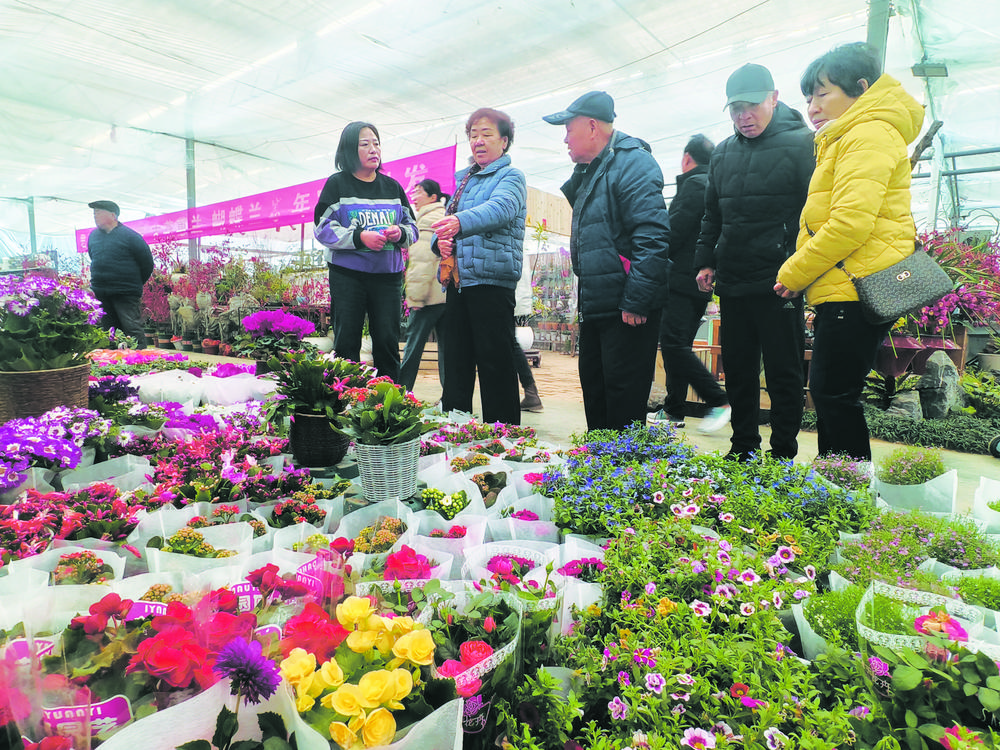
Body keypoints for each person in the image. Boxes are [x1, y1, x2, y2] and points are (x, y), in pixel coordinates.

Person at [775, 43, 924, 460]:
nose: (813, 106)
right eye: (808, 98)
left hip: (856, 285)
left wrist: (794, 272)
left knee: (833, 393)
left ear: (860, 88)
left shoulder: (868, 132)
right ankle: (841, 490)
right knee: (833, 392)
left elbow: (850, 223)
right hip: (847, 284)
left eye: (823, 94)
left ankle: (849, 497)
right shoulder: (847, 135)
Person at [693, 64, 815, 462]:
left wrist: (800, 269)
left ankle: (782, 454)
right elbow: (712, 214)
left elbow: (814, 215)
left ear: (774, 98)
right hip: (734, 277)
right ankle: (743, 446)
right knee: (740, 370)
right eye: (734, 109)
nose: (743, 116)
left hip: (782, 280)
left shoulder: (803, 144)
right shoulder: (723, 153)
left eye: (751, 106)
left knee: (784, 372)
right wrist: (706, 260)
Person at [543, 91, 671, 432]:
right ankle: (598, 475)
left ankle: (625, 478)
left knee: (623, 401)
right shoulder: (593, 170)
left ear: (592, 126)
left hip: (626, 307)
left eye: (568, 129)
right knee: (597, 395)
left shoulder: (633, 163)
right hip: (599, 303)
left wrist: (637, 300)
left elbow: (652, 236)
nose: (565, 138)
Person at [431, 108, 526, 424]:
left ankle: (503, 438)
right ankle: (455, 435)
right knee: (456, 364)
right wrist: (439, 243)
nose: (478, 141)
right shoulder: (463, 181)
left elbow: (500, 209)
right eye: (473, 135)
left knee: (495, 365)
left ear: (504, 140)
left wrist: (456, 223)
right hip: (459, 281)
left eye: (486, 134)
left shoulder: (510, 177)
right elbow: (445, 227)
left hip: (491, 282)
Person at [313, 121, 418, 382]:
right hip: (348, 277)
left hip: (388, 278)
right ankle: (346, 405)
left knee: (387, 342)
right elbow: (322, 228)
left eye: (376, 143)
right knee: (347, 342)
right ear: (349, 150)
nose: (374, 149)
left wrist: (399, 234)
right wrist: (360, 238)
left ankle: (391, 406)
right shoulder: (337, 185)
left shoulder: (393, 188)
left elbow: (412, 228)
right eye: (365, 144)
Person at [648, 135, 731, 433]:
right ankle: (674, 410)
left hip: (682, 280)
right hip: (699, 282)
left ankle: (718, 399)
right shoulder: (714, 185)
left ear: (686, 158)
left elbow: (672, 234)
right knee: (678, 345)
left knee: (672, 344)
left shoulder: (693, 186)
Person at [399, 179, 449, 391]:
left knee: (413, 346)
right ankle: (450, 398)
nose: (415, 197)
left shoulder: (428, 220)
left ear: (433, 197)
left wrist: (416, 298)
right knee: (446, 350)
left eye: (419, 192)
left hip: (428, 297)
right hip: (445, 295)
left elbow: (423, 262)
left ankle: (401, 392)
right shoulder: (443, 216)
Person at [86, 200, 154, 349]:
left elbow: (147, 263)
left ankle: (141, 358)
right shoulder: (93, 236)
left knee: (132, 327)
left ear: (113, 215)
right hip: (102, 291)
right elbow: (94, 257)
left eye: (98, 212)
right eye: (94, 213)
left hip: (125, 292)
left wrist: (132, 283)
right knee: (108, 330)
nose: (95, 216)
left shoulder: (131, 236)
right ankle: (114, 362)